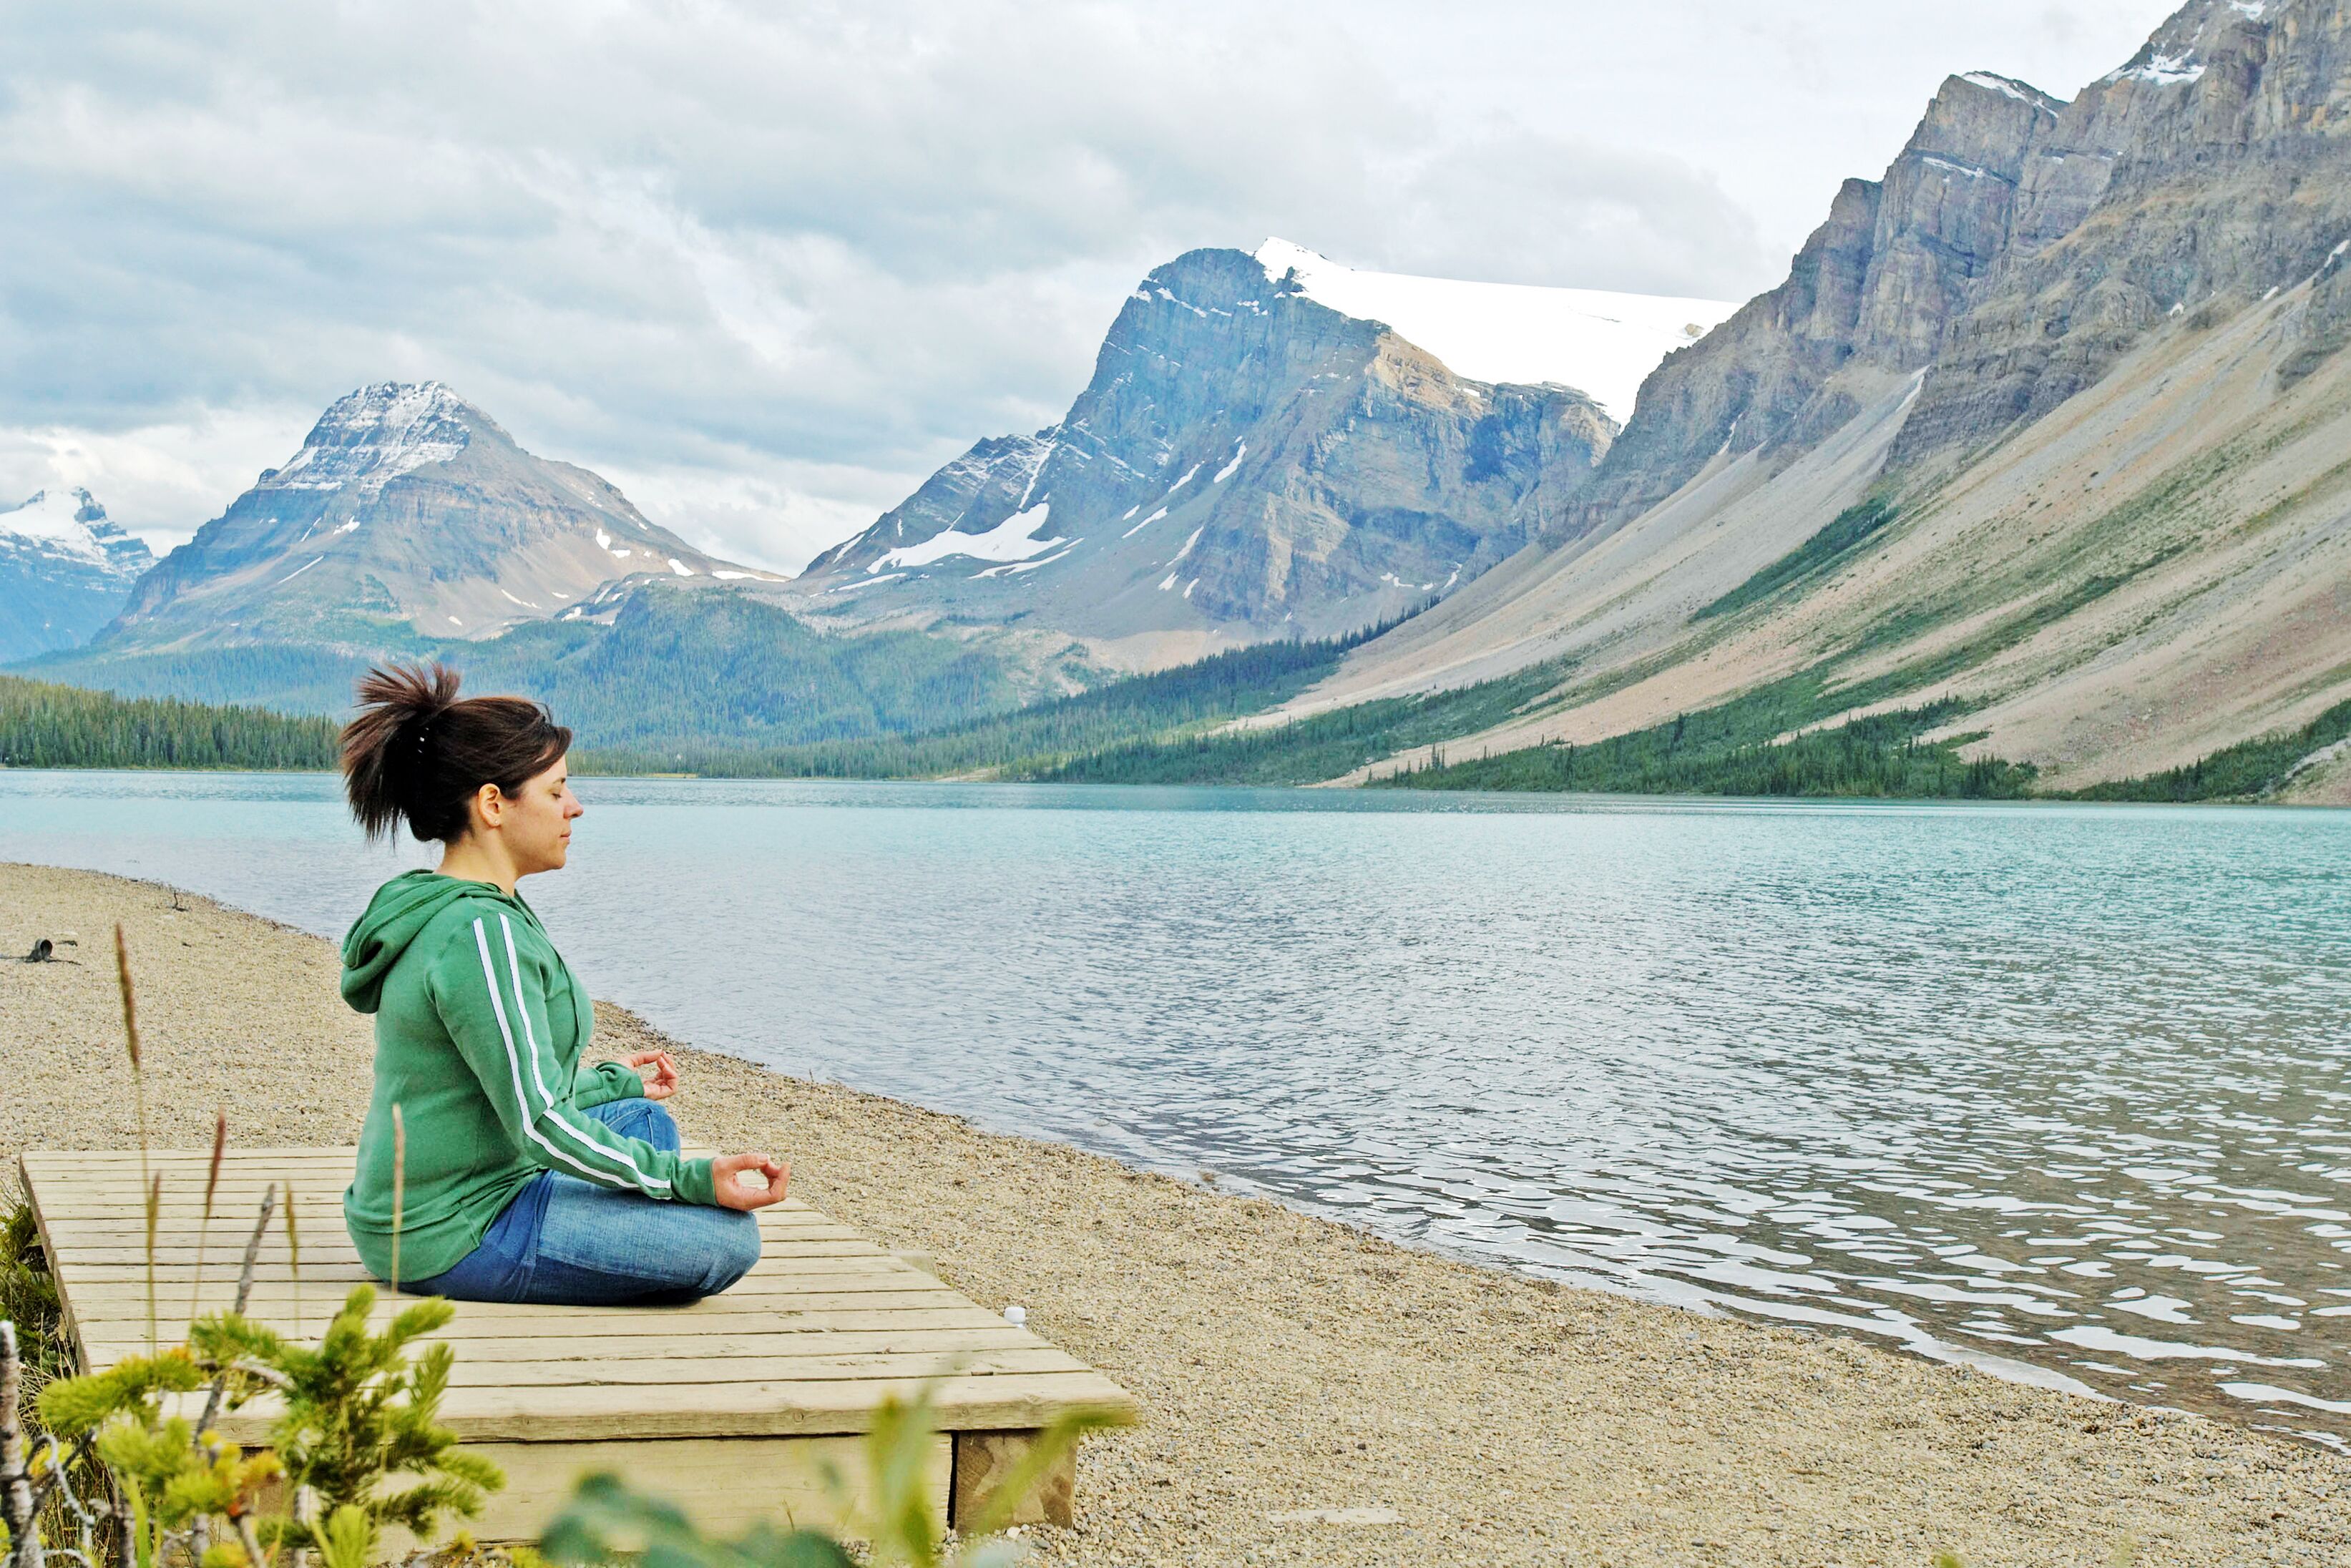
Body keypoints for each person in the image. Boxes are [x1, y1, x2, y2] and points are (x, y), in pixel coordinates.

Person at [336, 662, 788, 1304]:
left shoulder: (463, 907)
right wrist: (692, 1181)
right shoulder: (479, 935)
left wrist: (614, 1081)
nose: (575, 807)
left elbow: (497, 1078)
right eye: (556, 792)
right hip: (451, 1227)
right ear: (494, 804)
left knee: (639, 1118)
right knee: (728, 1244)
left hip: (464, 1180)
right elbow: (539, 1119)